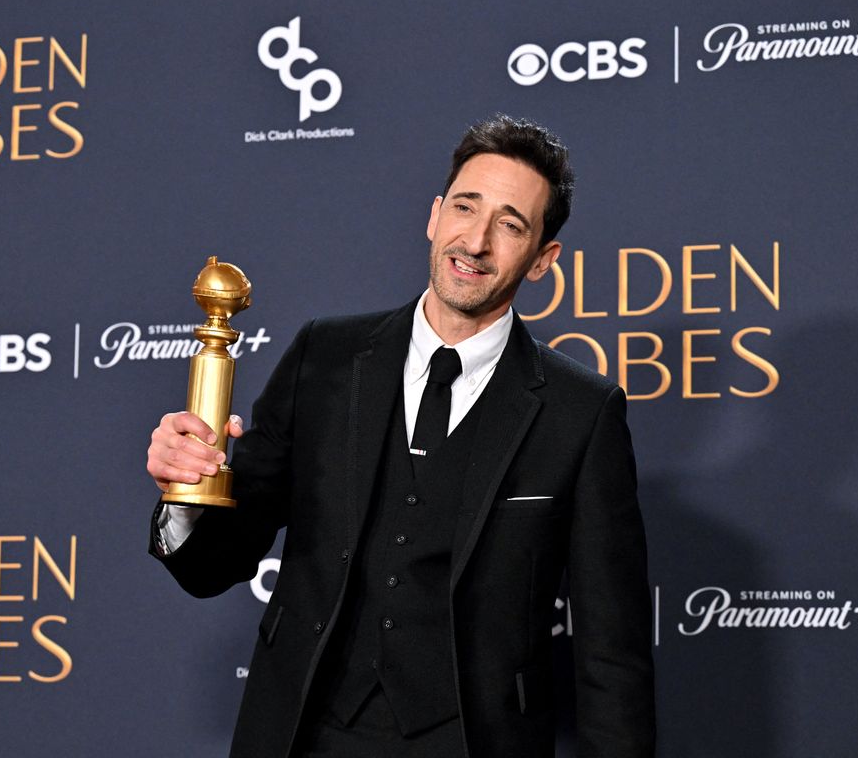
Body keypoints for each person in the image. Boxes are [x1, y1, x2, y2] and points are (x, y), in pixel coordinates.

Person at [146, 114, 655, 757]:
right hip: (304, 734)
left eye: (510, 224)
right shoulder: (324, 358)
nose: (476, 241)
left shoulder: (581, 413)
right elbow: (217, 563)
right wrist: (184, 492)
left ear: (542, 260)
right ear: (434, 215)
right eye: (465, 208)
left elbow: (613, 658)